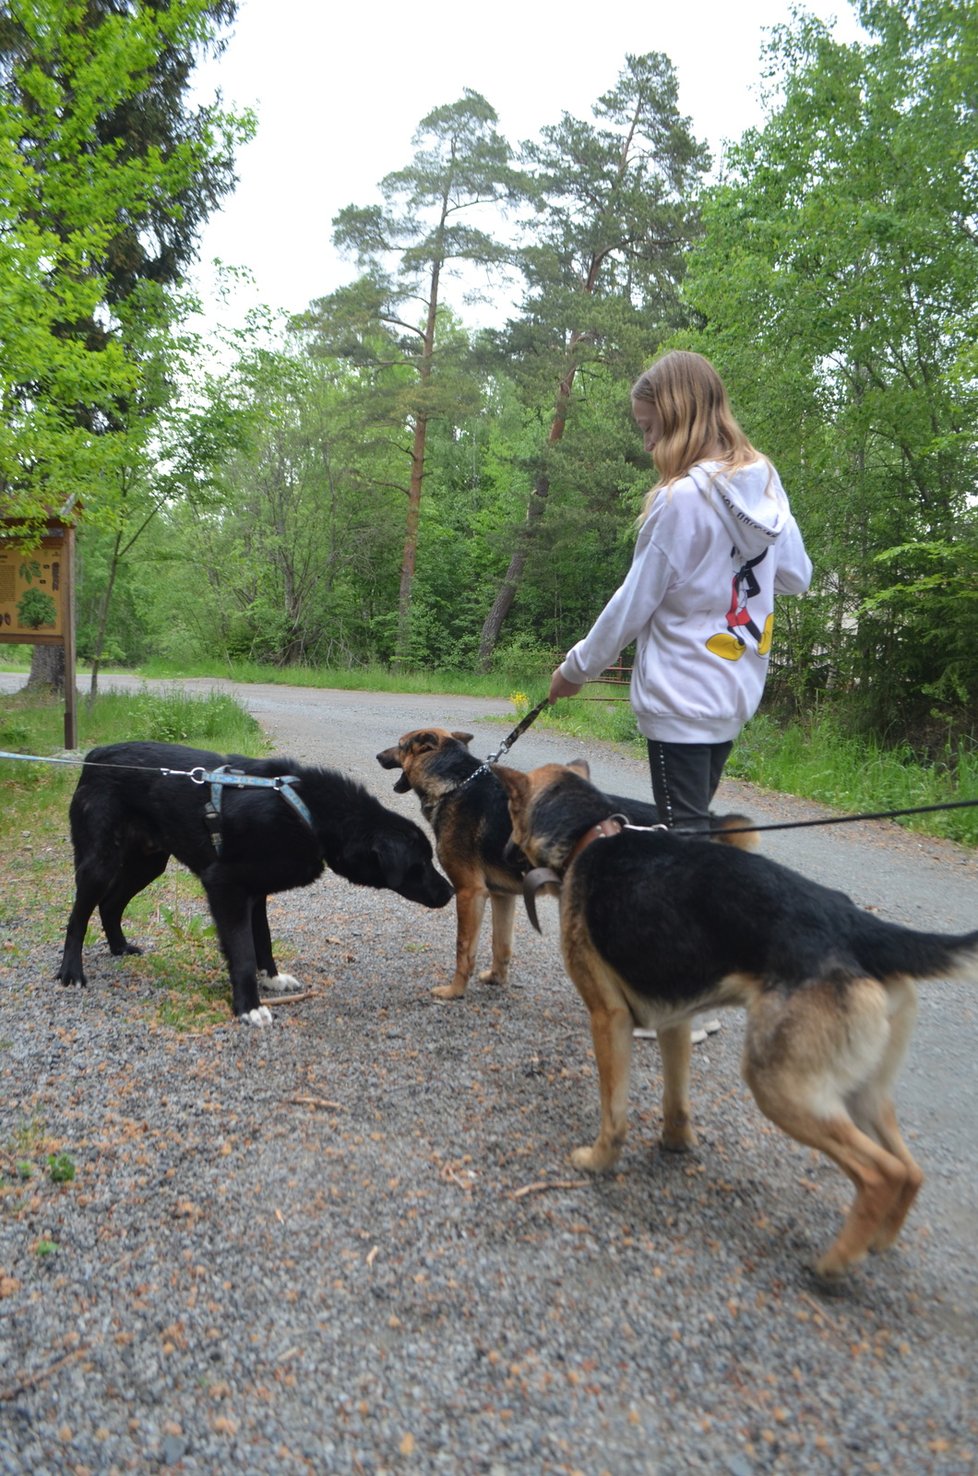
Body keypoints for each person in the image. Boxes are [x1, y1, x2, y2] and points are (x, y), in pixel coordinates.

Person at [548, 349, 812, 1042]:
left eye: (648, 429)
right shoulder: (764, 482)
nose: (645, 444)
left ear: (677, 417)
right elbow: (799, 577)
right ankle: (698, 984)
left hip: (678, 698)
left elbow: (632, 605)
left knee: (682, 852)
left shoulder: (679, 501)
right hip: (732, 689)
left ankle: (679, 1002)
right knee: (692, 837)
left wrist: (575, 669)